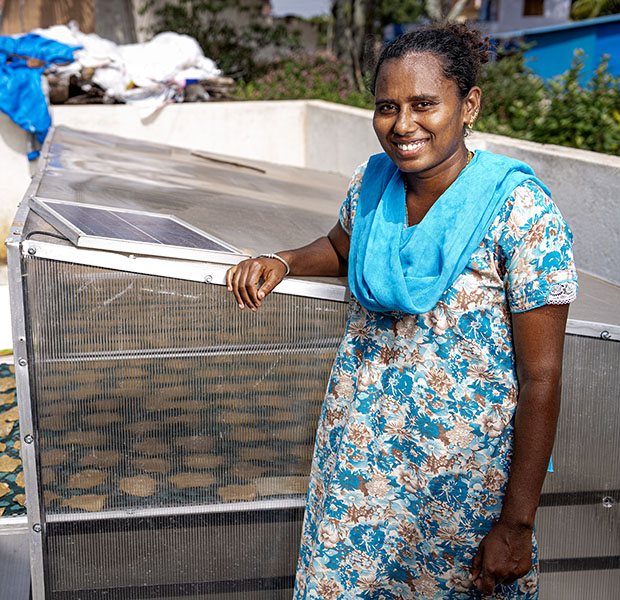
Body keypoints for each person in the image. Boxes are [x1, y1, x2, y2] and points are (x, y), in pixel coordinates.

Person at [226, 24, 577, 599]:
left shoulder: (520, 209)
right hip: (358, 468)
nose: (403, 124)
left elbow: (543, 377)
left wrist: (516, 524)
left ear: (469, 106)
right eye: (387, 107)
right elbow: (344, 247)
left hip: (461, 488)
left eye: (423, 104)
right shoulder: (373, 182)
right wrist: (285, 260)